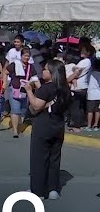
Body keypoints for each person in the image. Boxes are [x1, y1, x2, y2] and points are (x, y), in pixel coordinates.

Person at [25, 59, 72, 200]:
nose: (43, 71)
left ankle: (38, 191)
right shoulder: (64, 89)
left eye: (45, 69)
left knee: (39, 159)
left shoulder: (46, 88)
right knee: (54, 158)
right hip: (58, 126)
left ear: (52, 73)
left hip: (43, 126)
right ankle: (53, 189)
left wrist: (29, 91)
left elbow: (36, 106)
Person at [6, 47, 40, 138]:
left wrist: (40, 89)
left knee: (23, 110)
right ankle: (15, 131)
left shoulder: (31, 67)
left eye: (28, 56)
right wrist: (5, 84)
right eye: (25, 56)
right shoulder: (14, 64)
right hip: (14, 89)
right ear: (21, 56)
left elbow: (35, 79)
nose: (26, 58)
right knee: (15, 109)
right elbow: (5, 72)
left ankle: (19, 124)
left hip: (25, 91)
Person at [85, 57, 100, 131]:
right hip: (99, 95)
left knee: (90, 111)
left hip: (91, 95)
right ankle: (96, 125)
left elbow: (87, 81)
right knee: (97, 111)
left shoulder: (91, 74)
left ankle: (89, 125)